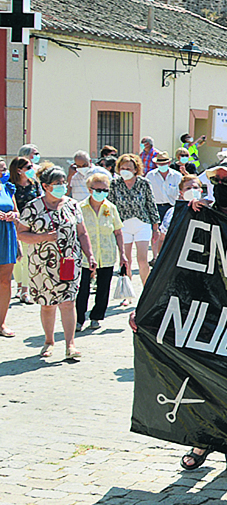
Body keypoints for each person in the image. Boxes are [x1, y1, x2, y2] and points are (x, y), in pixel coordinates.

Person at [157, 155, 227, 482]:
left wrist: (208, 218)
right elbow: (174, 260)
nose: (219, 188)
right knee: (201, 376)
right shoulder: (203, 210)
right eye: (216, 181)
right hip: (203, 306)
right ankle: (201, 442)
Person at [18, 165, 96, 360]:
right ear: (45, 186)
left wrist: (90, 254)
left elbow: (82, 232)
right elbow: (21, 233)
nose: (62, 186)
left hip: (69, 261)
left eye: (63, 183)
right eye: (57, 184)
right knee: (47, 304)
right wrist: (44, 237)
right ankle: (49, 341)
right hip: (41, 264)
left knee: (68, 303)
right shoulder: (33, 207)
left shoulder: (72, 205)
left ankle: (70, 344)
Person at [76, 173, 127, 331]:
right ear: (90, 190)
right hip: (84, 256)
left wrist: (123, 254)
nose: (101, 192)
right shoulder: (80, 207)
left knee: (103, 287)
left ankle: (97, 317)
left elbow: (118, 232)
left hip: (106, 253)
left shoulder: (110, 207)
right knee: (82, 289)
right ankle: (78, 319)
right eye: (97, 189)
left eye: (104, 189)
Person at [109, 153, 161, 286]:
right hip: (123, 225)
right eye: (122, 168)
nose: (125, 170)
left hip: (142, 223)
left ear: (135, 169)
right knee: (126, 260)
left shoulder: (144, 183)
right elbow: (111, 205)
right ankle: (127, 291)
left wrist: (155, 227)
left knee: (142, 260)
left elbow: (151, 204)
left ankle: (146, 291)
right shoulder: (114, 184)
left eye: (129, 168)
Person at [9, 156, 39, 304]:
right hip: (14, 225)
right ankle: (19, 285)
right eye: (28, 168)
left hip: (32, 226)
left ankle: (25, 290)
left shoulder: (34, 185)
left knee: (28, 258)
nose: (31, 170)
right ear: (19, 170)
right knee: (16, 259)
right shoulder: (11, 186)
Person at [0, 171, 18, 337]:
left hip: (6, 234)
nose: (2, 172)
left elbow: (16, 212)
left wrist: (13, 215)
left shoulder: (7, 187)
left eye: (3, 168)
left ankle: (1, 322)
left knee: (5, 282)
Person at [146, 152, 183, 225]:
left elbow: (182, 192)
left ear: (169, 163)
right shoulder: (150, 176)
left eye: (164, 163)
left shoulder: (177, 176)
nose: (162, 165)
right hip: (155, 208)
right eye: (160, 164)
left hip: (172, 207)